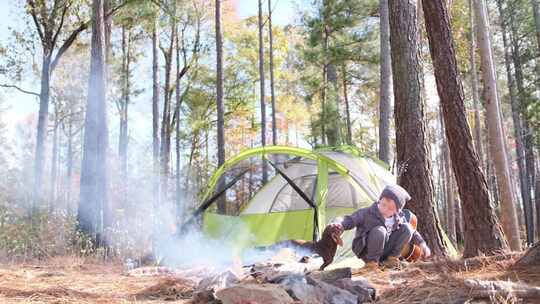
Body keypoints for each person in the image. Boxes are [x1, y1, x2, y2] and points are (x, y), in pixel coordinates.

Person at [330, 184, 431, 270]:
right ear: (380, 200)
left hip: (386, 249)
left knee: (407, 228)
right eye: (383, 204)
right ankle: (371, 264)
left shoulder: (398, 218)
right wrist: (339, 224)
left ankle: (391, 259)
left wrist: (422, 244)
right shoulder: (368, 212)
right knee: (380, 230)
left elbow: (413, 233)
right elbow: (350, 219)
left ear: (397, 210)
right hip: (368, 250)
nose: (385, 209)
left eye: (391, 208)